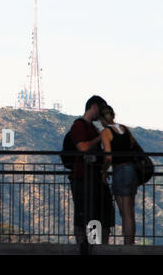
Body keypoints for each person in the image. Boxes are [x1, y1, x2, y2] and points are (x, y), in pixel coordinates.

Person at [69, 95, 115, 245]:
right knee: (86, 214)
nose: (101, 115)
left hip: (93, 177)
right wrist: (100, 138)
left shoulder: (92, 128)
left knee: (96, 214)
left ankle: (94, 246)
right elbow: (83, 147)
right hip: (83, 177)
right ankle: (88, 246)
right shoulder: (79, 126)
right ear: (94, 107)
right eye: (100, 110)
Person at [99, 105, 138, 245]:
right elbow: (133, 145)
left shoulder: (106, 132)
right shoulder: (124, 128)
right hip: (133, 170)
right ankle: (130, 243)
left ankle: (128, 246)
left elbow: (108, 156)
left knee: (124, 212)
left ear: (102, 119)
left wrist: (104, 172)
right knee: (130, 211)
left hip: (120, 171)